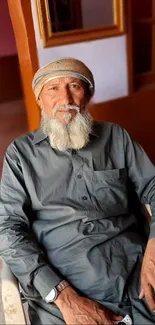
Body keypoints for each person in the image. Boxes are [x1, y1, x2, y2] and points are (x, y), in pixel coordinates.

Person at [0, 57, 155, 325]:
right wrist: (64, 296)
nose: (66, 97)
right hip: (66, 285)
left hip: (136, 270)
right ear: (39, 100)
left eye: (75, 86)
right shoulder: (20, 155)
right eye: (53, 89)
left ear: (88, 96)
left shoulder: (115, 137)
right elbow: (8, 227)